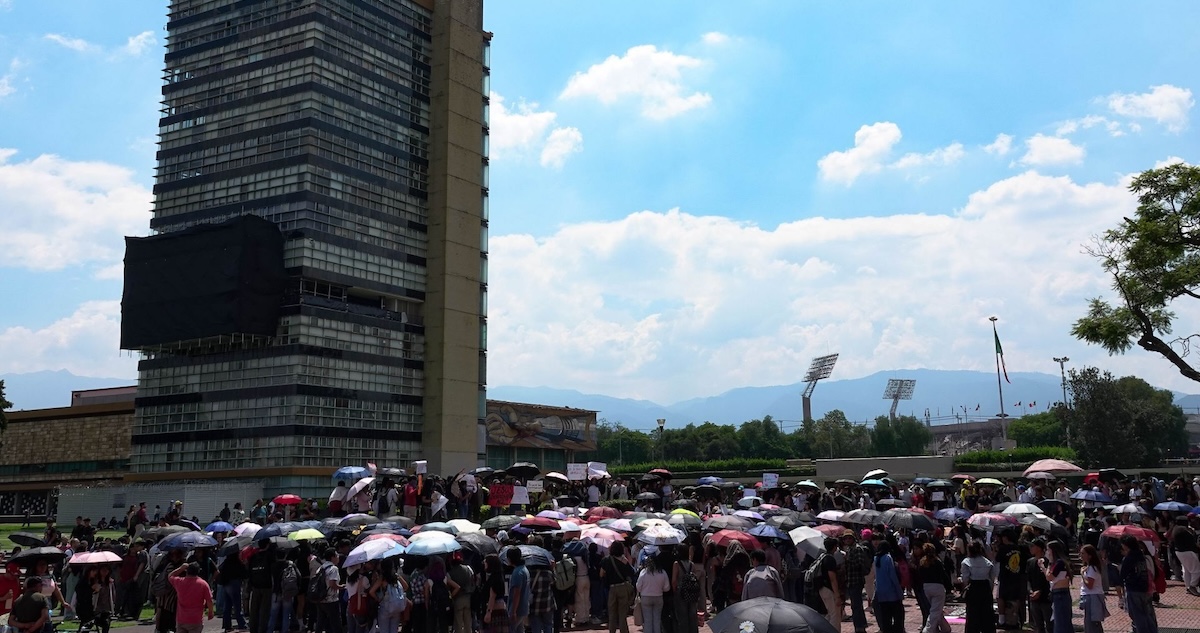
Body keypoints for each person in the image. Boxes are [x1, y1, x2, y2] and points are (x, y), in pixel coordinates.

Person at [1118, 536, 1158, 633]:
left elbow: (1122, 574)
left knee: (1138, 615)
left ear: (1126, 545)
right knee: (1148, 614)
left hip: (1133, 589)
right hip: (1145, 587)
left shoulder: (1129, 558)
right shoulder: (1141, 555)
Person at [959, 541, 997, 633]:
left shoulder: (966, 562)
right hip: (985, 587)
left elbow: (965, 578)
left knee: (972, 613)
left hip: (973, 587)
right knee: (987, 613)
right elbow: (992, 578)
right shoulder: (988, 562)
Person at [169, 563, 215, 633]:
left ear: (187, 571)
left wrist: (181, 568)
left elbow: (170, 576)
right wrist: (210, 612)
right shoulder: (203, 584)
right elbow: (209, 600)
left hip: (181, 618)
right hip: (195, 619)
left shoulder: (179, 582)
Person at [916, 543, 951, 633]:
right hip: (938, 587)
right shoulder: (937, 561)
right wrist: (949, 587)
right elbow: (944, 575)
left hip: (926, 587)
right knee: (935, 610)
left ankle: (946, 628)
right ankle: (928, 630)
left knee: (936, 608)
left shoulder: (922, 562)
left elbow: (919, 575)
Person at [600, 542, 634, 633]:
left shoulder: (606, 560)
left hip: (612, 588)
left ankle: (612, 631)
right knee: (623, 614)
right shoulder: (624, 560)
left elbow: (601, 574)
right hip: (623, 587)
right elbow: (631, 572)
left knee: (612, 614)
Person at [872, 541, 904, 633]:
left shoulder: (876, 558)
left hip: (881, 592)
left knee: (885, 617)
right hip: (891, 592)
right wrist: (899, 592)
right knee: (897, 615)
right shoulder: (888, 558)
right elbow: (892, 576)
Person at [843, 531, 871, 633]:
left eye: (849, 538)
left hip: (857, 580)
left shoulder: (857, 549)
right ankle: (860, 626)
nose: (847, 540)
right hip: (850, 580)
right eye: (846, 539)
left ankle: (860, 627)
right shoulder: (849, 549)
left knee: (856, 605)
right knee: (855, 605)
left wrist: (848, 560)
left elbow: (859, 565)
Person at [1042, 541, 1072, 633]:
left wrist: (1046, 566)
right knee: (1060, 622)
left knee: (1061, 623)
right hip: (1057, 594)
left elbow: (1049, 577)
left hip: (1061, 595)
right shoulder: (1057, 563)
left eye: (1048, 550)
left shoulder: (1059, 563)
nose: (1047, 552)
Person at [671, 544, 700, 633]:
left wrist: (674, 590)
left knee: (682, 616)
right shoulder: (691, 564)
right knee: (692, 615)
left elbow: (674, 580)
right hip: (692, 592)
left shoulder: (676, 564)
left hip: (681, 592)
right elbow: (695, 577)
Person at [1079, 545, 1108, 633]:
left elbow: (1090, 585)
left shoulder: (1092, 568)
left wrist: (1082, 574)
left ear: (1090, 555)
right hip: (1090, 596)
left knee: (1091, 623)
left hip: (1092, 597)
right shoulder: (1090, 567)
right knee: (1092, 623)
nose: (1081, 555)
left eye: (1083, 553)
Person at [636, 557, 670, 633]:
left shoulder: (643, 573)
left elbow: (638, 587)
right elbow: (667, 588)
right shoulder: (662, 572)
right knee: (657, 620)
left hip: (645, 597)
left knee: (647, 620)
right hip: (658, 597)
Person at [1025, 539, 1052, 633]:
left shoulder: (1047, 562)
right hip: (1033, 598)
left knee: (1049, 624)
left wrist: (1040, 591)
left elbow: (1048, 579)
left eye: (1032, 546)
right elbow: (1028, 579)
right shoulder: (1030, 562)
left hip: (1045, 597)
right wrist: (1030, 591)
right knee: (1038, 625)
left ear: (1039, 548)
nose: (1030, 548)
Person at [313, 550, 342, 633]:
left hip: (321, 598)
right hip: (331, 600)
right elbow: (332, 584)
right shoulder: (333, 569)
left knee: (321, 622)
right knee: (336, 622)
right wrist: (341, 587)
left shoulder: (320, 568)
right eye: (337, 556)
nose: (338, 557)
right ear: (332, 557)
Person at [481, 555, 509, 633]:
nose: (484, 564)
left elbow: (492, 597)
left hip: (494, 611)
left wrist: (488, 612)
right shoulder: (500, 576)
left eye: (486, 562)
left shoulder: (494, 579)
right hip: (501, 609)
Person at [507, 548, 531, 633]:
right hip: (523, 607)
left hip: (517, 609)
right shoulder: (524, 569)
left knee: (511, 629)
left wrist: (513, 611)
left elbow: (517, 593)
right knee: (519, 630)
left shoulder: (517, 572)